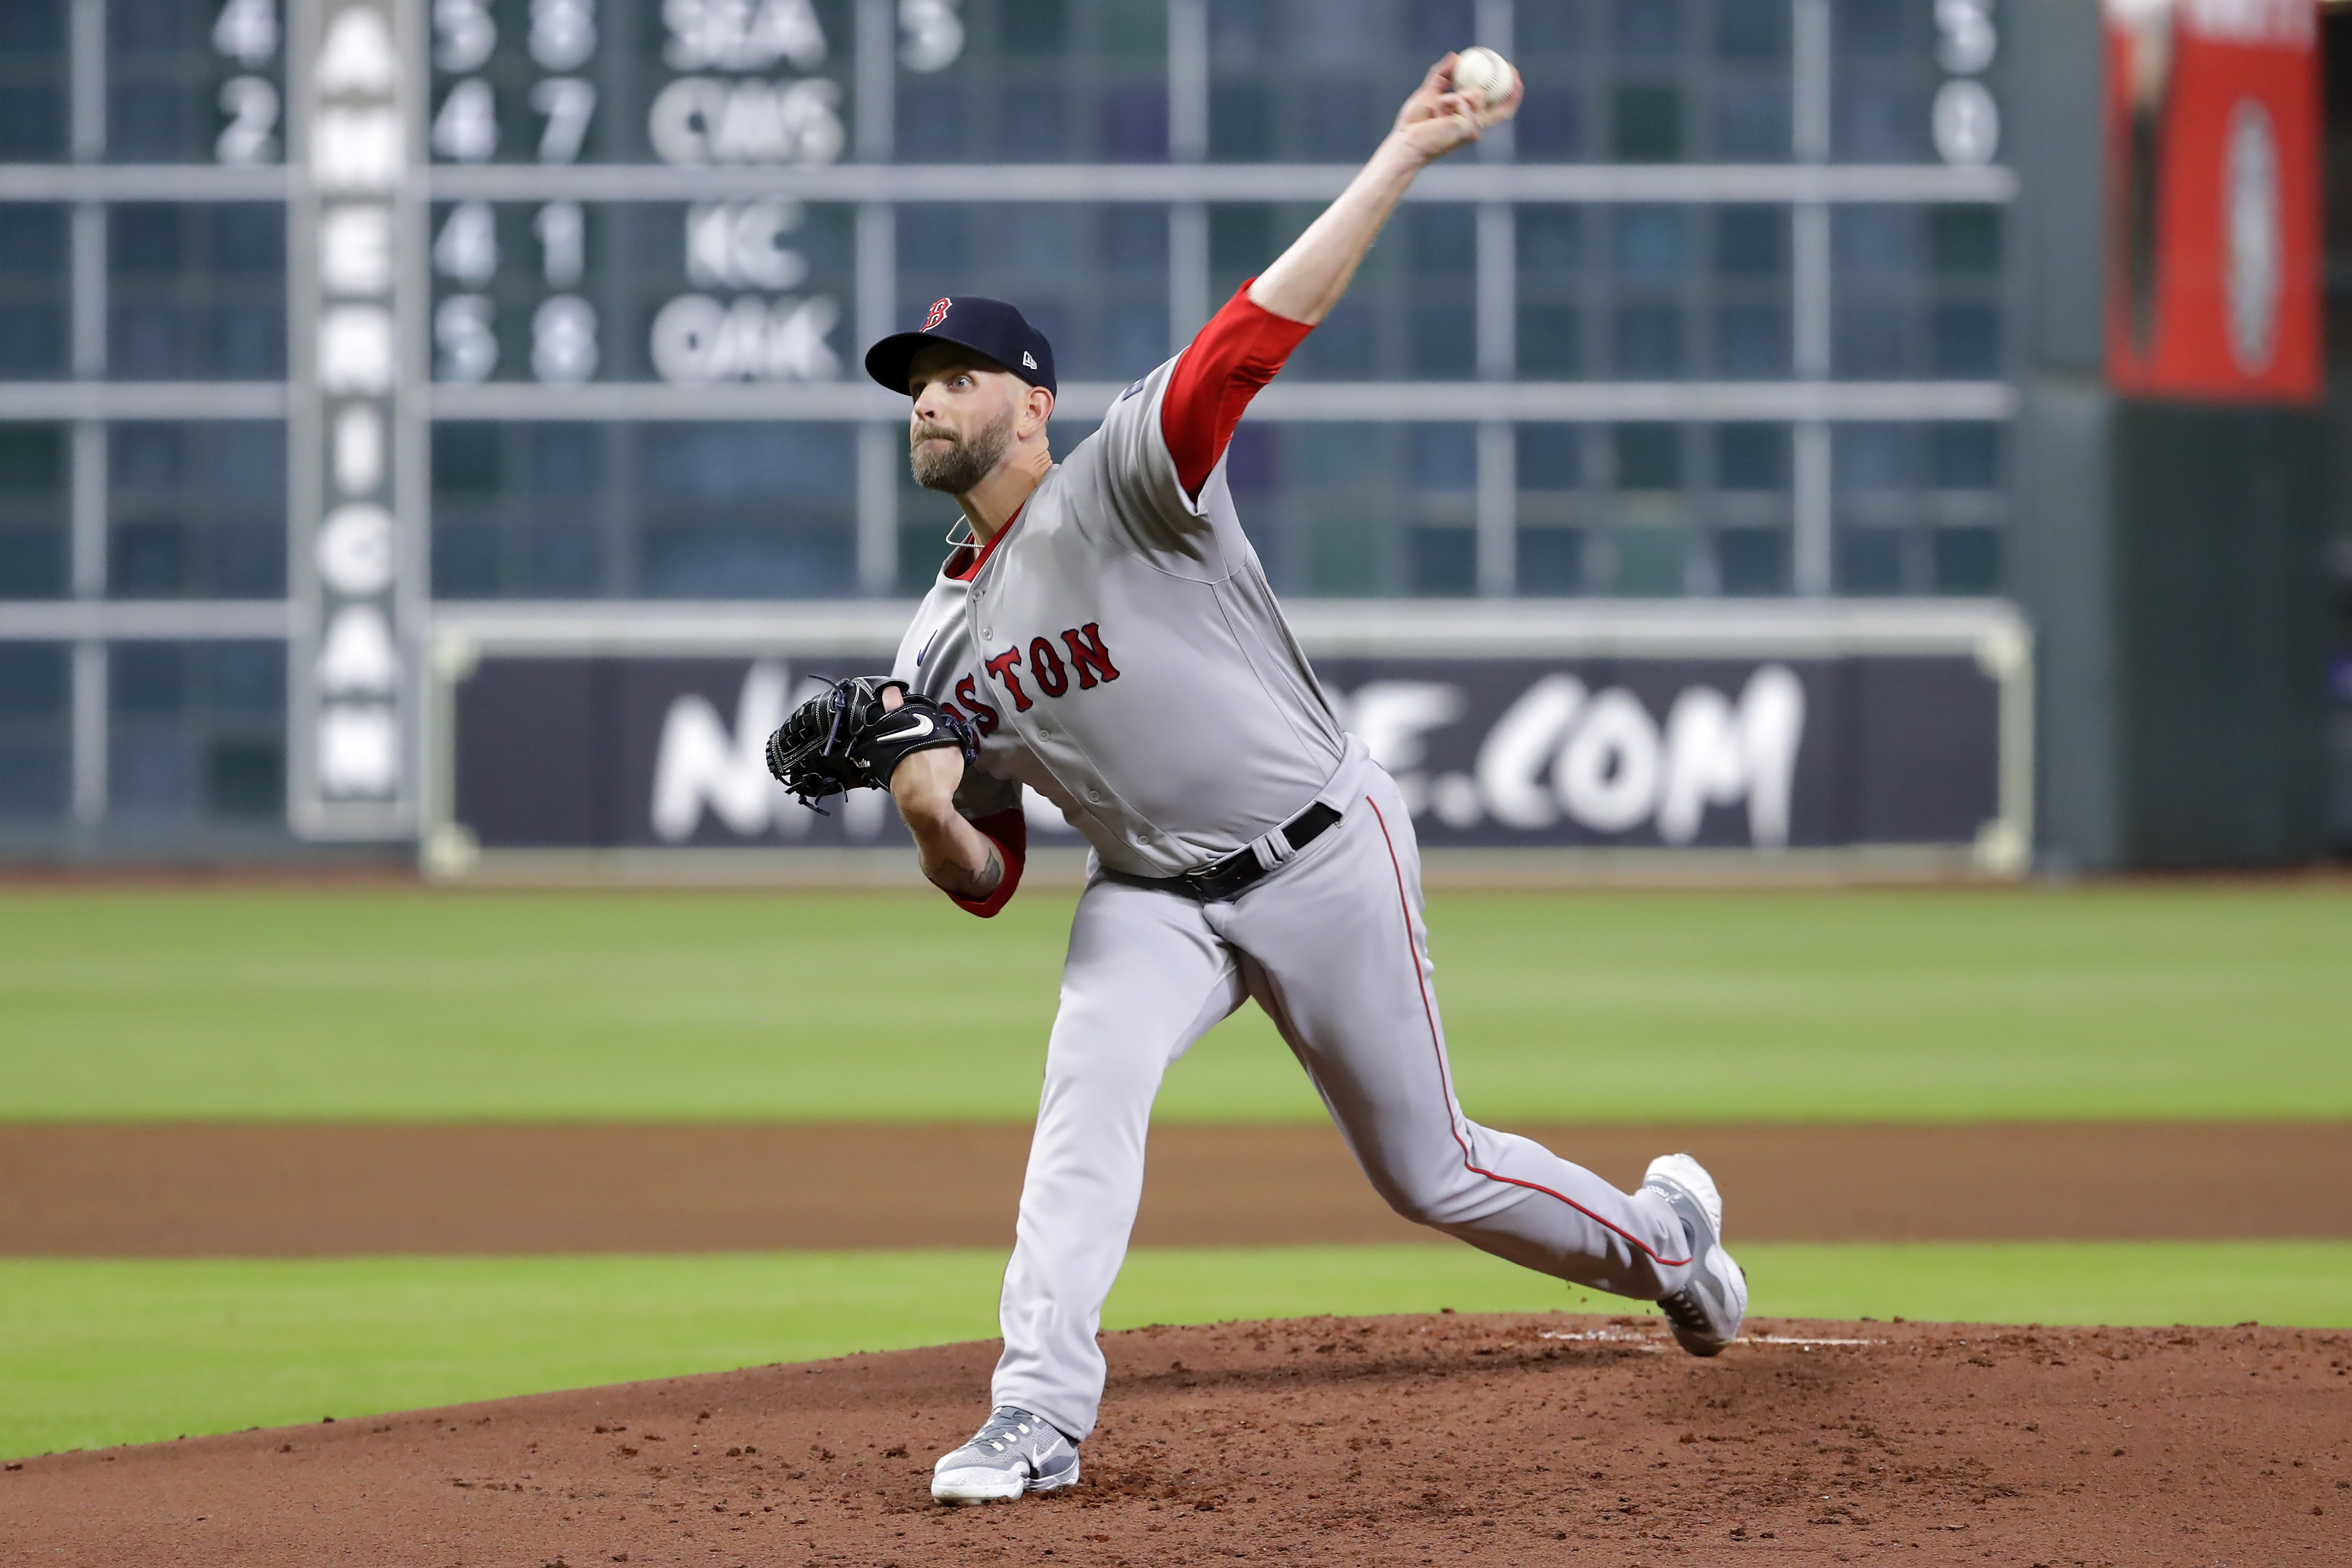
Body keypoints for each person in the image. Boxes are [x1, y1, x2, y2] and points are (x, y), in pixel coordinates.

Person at [854, 55, 1747, 1506]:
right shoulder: (933, 639)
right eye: (913, 384)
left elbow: (1247, 338)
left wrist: (1398, 156)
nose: (926, 400)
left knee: (1430, 1171)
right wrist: (921, 805)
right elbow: (990, 875)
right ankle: (1035, 1411)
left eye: (956, 377)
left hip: (1320, 847)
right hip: (1149, 894)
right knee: (1084, 1101)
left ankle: (1662, 1241)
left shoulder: (1124, 477)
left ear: (1034, 404)